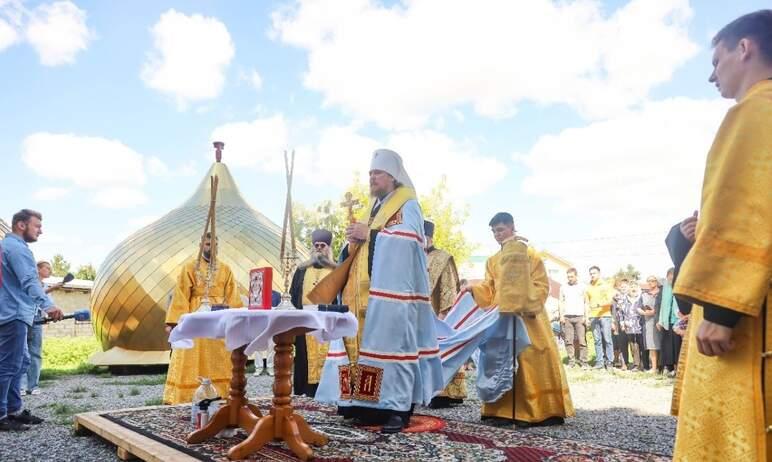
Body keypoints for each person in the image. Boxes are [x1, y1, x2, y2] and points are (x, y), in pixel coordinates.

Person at [672, 10, 772, 461]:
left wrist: (721, 308)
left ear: (744, 48)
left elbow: (751, 209)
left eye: (716, 61)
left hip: (751, 319)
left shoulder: (756, 109)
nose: (712, 75)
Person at [315, 149, 443, 433]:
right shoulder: (373, 207)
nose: (372, 178)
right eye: (370, 173)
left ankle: (398, 409)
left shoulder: (407, 204)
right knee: (365, 352)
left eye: (378, 173)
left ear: (393, 177)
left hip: (392, 297)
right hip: (363, 297)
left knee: (394, 349)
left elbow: (408, 242)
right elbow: (364, 249)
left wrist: (370, 235)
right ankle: (368, 408)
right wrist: (353, 243)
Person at [466, 212, 573, 427]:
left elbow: (542, 285)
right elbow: (490, 288)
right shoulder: (492, 260)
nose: (497, 235)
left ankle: (539, 411)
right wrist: (473, 290)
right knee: (499, 359)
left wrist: (521, 300)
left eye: (501, 229)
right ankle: (500, 410)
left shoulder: (530, 255)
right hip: (502, 318)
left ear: (512, 227)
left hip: (528, 318)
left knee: (529, 359)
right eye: (494, 231)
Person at [0, 210, 64, 432]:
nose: (40, 230)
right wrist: (48, 305)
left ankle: (13, 410)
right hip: (14, 313)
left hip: (16, 313)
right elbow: (29, 280)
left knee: (21, 362)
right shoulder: (16, 248)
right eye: (36, 226)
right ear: (20, 225)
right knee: (8, 365)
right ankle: (2, 415)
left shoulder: (8, 247)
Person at [163, 233, 242, 405]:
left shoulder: (226, 269)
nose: (211, 248)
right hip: (196, 317)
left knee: (220, 357)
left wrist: (237, 319)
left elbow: (233, 296)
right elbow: (181, 295)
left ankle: (221, 395)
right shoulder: (189, 267)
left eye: (214, 245)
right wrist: (174, 323)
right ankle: (189, 396)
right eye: (207, 244)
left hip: (218, 318)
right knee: (192, 355)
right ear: (200, 245)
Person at [423, 220, 465, 409]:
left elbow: (449, 289)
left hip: (437, 313)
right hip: (417, 314)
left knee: (439, 352)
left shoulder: (442, 258)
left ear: (428, 237)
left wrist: (443, 315)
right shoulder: (411, 257)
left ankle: (444, 394)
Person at [292, 229, 337, 397]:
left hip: (328, 320)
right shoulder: (302, 270)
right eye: (316, 245)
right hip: (306, 320)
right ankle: (306, 390)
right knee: (305, 356)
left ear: (328, 248)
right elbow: (294, 293)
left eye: (322, 245)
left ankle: (327, 390)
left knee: (328, 355)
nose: (319, 248)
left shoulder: (336, 269)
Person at [20, 261, 63, 395]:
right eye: (47, 268)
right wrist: (52, 289)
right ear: (38, 269)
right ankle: (20, 386)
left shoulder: (46, 286)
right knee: (21, 351)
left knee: (35, 352)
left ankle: (32, 386)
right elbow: (32, 296)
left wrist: (47, 315)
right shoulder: (28, 282)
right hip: (24, 316)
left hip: (38, 318)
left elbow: (47, 304)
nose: (50, 271)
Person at [585, 266, 615, 369]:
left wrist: (599, 305)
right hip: (593, 316)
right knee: (597, 340)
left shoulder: (606, 285)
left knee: (607, 339)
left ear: (599, 273)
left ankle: (610, 361)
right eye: (591, 273)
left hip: (605, 316)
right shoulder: (589, 286)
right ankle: (599, 362)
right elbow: (587, 302)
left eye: (594, 273)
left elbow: (610, 301)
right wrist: (587, 316)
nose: (592, 275)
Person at [558, 268, 589, 368]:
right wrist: (561, 315)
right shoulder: (563, 287)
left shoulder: (583, 286)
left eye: (571, 276)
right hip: (567, 317)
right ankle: (571, 361)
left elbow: (586, 302)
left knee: (582, 340)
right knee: (568, 340)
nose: (570, 278)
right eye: (568, 277)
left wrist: (586, 316)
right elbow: (561, 302)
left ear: (576, 276)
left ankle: (583, 362)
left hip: (580, 317)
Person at [658, 268, 682, 377]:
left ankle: (678, 369)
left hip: (678, 320)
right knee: (667, 346)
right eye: (669, 276)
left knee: (677, 346)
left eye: (673, 276)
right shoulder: (665, 288)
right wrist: (660, 320)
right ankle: (668, 367)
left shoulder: (680, 286)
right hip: (666, 320)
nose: (671, 278)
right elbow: (662, 305)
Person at [615, 281, 644, 371]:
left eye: (635, 287)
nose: (633, 289)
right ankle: (636, 364)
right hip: (629, 326)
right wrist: (622, 323)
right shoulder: (624, 299)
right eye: (631, 287)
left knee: (642, 345)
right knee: (633, 345)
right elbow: (620, 313)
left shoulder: (641, 298)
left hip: (641, 325)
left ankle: (643, 364)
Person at [641, 276, 662, 372]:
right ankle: (654, 367)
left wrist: (655, 311)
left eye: (652, 281)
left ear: (657, 282)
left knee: (662, 344)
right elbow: (638, 307)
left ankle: (663, 367)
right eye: (648, 281)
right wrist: (644, 312)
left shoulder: (661, 293)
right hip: (649, 322)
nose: (650, 283)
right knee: (652, 345)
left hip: (660, 320)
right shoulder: (644, 294)